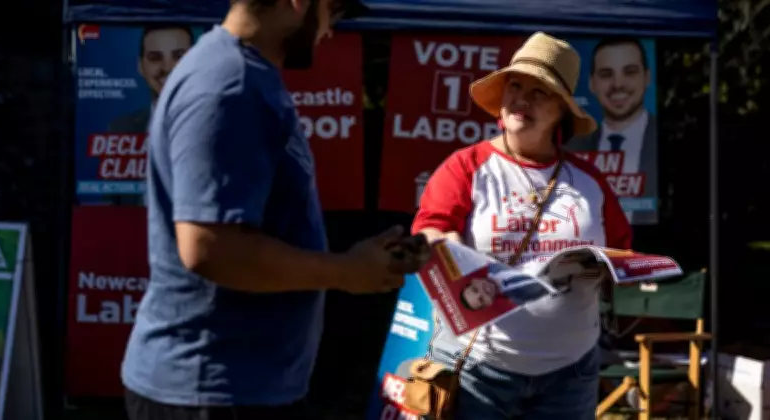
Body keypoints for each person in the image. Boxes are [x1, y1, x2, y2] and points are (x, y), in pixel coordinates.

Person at [118, 0, 425, 418]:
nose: (329, 32)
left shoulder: (241, 74)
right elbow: (209, 247)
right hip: (212, 389)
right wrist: (347, 271)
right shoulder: (230, 84)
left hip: (234, 384)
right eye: (332, 13)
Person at [412, 32, 632, 419]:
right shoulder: (465, 167)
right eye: (515, 85)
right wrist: (453, 256)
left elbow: (621, 253)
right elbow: (428, 232)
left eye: (540, 91)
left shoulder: (591, 183)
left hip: (571, 373)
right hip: (480, 370)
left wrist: (603, 267)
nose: (521, 98)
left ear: (561, 111)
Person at [565, 37, 657, 225]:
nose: (618, 84)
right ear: (592, 83)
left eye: (629, 72)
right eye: (606, 74)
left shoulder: (666, 139)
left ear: (647, 77)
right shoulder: (572, 147)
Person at [108, 24, 194, 133]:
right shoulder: (120, 128)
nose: (167, 67)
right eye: (155, 58)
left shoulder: (216, 123)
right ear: (140, 66)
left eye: (179, 57)